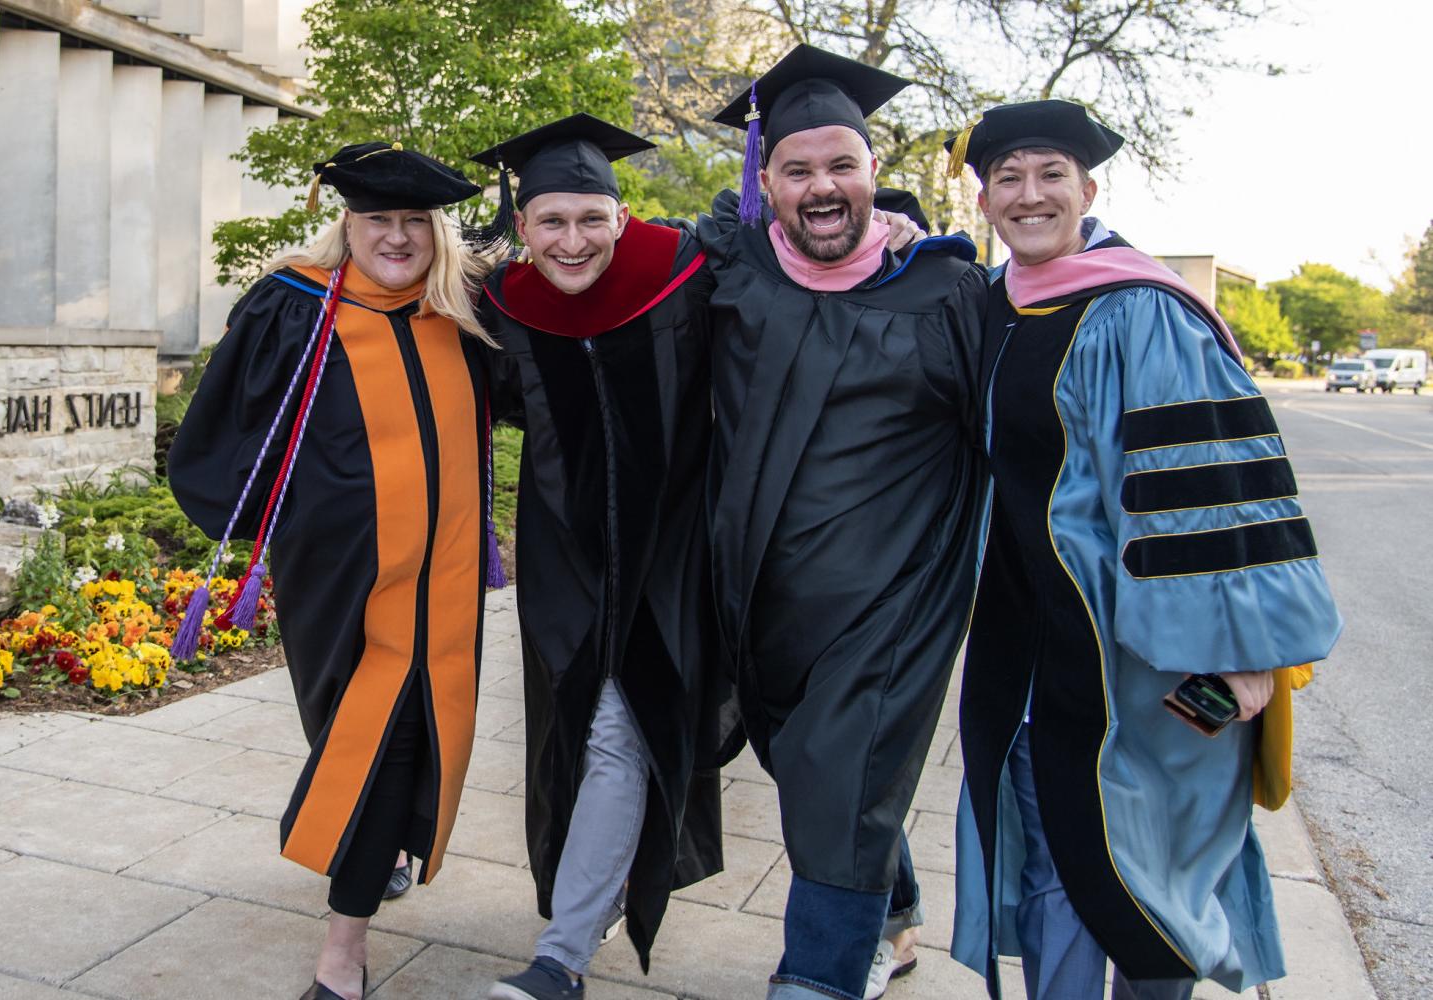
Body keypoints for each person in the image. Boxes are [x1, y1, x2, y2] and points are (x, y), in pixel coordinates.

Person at [944, 100, 1343, 1000]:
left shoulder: (1141, 312)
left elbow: (1211, 484)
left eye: (1051, 176)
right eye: (1007, 178)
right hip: (1026, 648)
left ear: (1089, 189)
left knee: (1153, 870)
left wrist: (1243, 658)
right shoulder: (996, 308)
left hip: (1149, 662)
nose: (1029, 194)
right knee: (1054, 860)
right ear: (985, 201)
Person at [169, 142, 504, 1000]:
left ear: (438, 233)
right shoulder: (295, 306)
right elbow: (226, 425)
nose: (396, 236)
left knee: (398, 736)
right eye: (377, 219)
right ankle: (373, 847)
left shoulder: (464, 313)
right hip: (339, 573)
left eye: (413, 222)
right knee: (358, 732)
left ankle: (342, 951)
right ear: (346, 223)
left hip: (445, 577)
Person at [701, 45, 989, 1000]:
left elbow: (1036, 417)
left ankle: (816, 978)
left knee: (837, 776)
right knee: (826, 781)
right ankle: (895, 925)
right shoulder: (733, 273)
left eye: (842, 165)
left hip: (890, 604)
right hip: (765, 605)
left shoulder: (945, 291)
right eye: (797, 169)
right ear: (765, 181)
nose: (822, 186)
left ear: (874, 175)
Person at [467, 114, 727, 1000]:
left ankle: (561, 956)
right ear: (523, 226)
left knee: (791, 731)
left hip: (675, 556)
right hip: (569, 565)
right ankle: (574, 934)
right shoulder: (504, 309)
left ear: (621, 216)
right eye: (550, 222)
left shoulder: (688, 276)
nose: (572, 241)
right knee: (593, 730)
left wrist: (896, 226)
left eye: (590, 219)